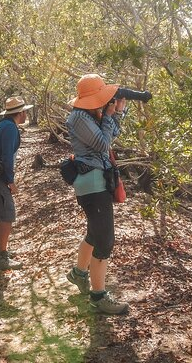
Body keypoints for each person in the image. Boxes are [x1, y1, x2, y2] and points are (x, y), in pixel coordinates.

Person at [65, 74, 130, 314]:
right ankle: (98, 296)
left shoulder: (91, 114)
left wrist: (117, 113)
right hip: (91, 184)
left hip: (96, 181)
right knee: (105, 240)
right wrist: (110, 116)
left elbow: (111, 137)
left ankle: (79, 273)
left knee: (94, 234)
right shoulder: (79, 117)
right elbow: (103, 144)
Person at [0, 96, 33, 270]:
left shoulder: (1, 124)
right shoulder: (10, 128)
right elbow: (7, 157)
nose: (26, 114)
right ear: (20, 113)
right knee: (8, 214)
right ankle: (1, 257)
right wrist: (10, 181)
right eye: (25, 111)